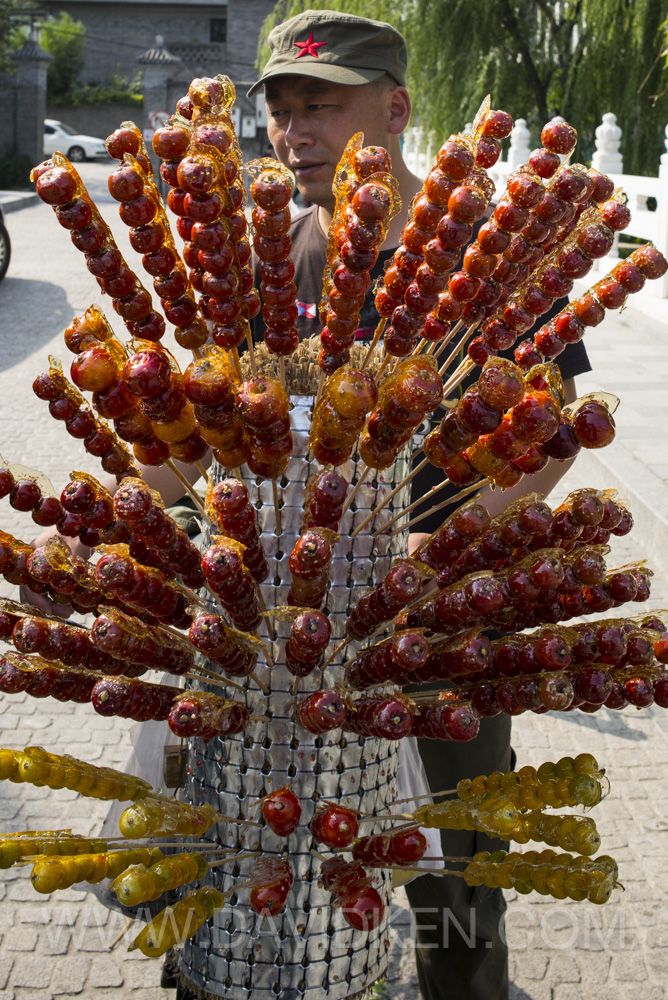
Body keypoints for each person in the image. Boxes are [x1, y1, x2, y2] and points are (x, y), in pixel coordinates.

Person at [248, 10, 591, 1000]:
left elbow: (550, 431)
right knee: (293, 845)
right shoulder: (287, 250)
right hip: (302, 620)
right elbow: (233, 419)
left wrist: (429, 556)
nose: (293, 132)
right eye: (280, 110)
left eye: (321, 106)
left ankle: (461, 984)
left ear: (392, 111)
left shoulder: (485, 247)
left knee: (460, 845)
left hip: (443, 615)